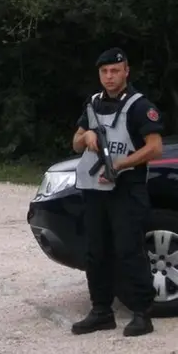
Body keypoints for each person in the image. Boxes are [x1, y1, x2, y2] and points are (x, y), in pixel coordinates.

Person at [71, 47, 163, 337]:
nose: (109, 77)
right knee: (95, 252)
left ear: (126, 72)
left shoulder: (139, 105)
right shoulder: (93, 103)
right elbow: (75, 143)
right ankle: (101, 311)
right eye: (104, 72)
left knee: (129, 250)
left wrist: (123, 164)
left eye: (115, 71)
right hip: (95, 190)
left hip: (126, 188)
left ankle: (141, 313)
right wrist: (85, 136)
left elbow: (155, 147)